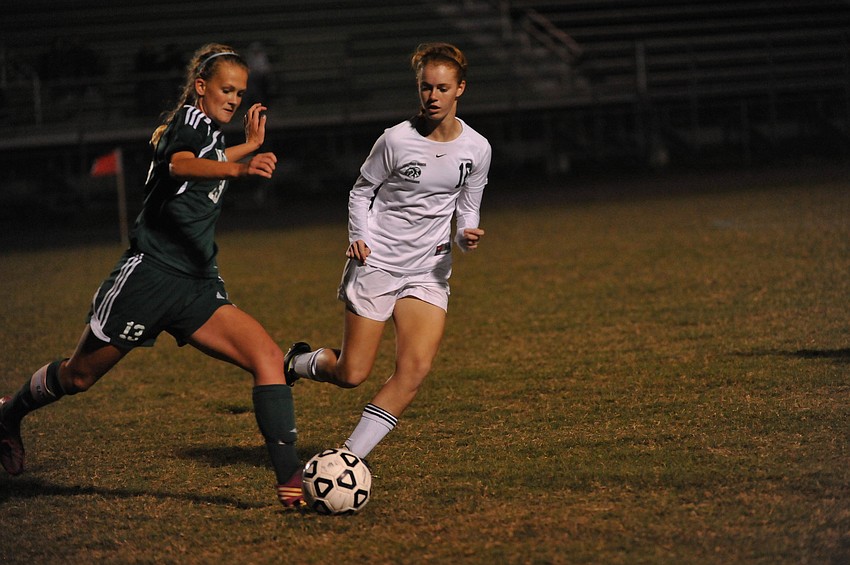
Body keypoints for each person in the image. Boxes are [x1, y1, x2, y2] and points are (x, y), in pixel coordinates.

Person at [0, 43, 307, 509]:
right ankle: (10, 414)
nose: (234, 99)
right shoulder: (186, 121)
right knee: (79, 377)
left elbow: (208, 154)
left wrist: (248, 144)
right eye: (226, 89)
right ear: (201, 87)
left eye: (240, 93)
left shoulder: (207, 130)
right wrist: (241, 167)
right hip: (149, 277)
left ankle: (291, 484)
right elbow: (181, 163)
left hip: (197, 284)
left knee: (266, 357)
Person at [283, 42, 491, 461]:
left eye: (442, 88)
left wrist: (466, 235)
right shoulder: (395, 140)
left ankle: (349, 458)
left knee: (414, 370)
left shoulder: (478, 148)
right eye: (425, 88)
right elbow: (362, 191)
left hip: (428, 270)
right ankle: (298, 362)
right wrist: (359, 235)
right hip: (377, 262)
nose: (432, 97)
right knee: (352, 373)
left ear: (460, 89)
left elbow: (467, 209)